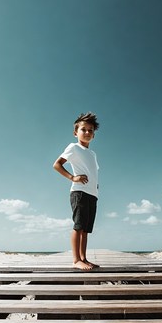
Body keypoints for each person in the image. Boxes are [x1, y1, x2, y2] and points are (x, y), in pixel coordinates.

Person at [53, 112, 100, 270]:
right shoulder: (73, 147)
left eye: (90, 130)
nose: (87, 132)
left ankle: (84, 259)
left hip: (92, 194)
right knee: (78, 226)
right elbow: (57, 164)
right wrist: (72, 177)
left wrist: (95, 185)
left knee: (86, 230)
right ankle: (76, 260)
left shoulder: (92, 154)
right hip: (79, 192)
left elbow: (92, 172)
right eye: (83, 129)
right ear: (76, 133)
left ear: (93, 134)